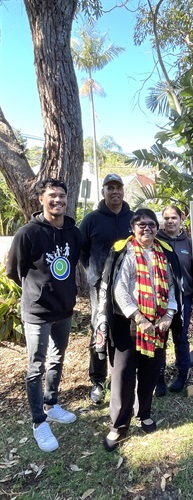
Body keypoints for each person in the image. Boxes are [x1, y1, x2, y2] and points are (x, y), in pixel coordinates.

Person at [95, 209, 182, 452]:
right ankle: (118, 426)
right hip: (129, 325)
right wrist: (138, 317)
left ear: (157, 228)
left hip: (157, 326)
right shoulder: (124, 251)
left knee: (150, 372)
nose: (147, 229)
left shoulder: (164, 253)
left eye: (151, 225)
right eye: (141, 225)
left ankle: (144, 413)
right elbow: (120, 290)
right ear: (133, 228)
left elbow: (173, 288)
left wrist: (168, 314)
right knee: (122, 376)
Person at [6, 178, 82, 452]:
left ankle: (51, 404)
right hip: (37, 311)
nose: (58, 200)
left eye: (62, 195)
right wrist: (38, 292)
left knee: (58, 358)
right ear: (41, 199)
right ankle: (39, 421)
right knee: (36, 366)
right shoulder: (28, 233)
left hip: (64, 308)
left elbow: (74, 263)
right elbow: (14, 271)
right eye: (52, 195)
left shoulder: (74, 232)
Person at [79, 173, 133, 404]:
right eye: (110, 187)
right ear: (103, 192)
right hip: (99, 286)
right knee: (100, 330)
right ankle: (98, 381)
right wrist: (94, 272)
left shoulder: (133, 218)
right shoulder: (91, 220)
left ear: (123, 191)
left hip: (131, 286)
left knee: (129, 329)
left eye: (118, 187)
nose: (115, 192)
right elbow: (82, 251)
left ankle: (128, 373)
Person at [155, 205, 193, 395]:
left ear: (181, 220)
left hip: (185, 299)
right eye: (166, 218)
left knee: (181, 338)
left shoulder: (189, 243)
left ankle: (182, 374)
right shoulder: (156, 241)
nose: (170, 221)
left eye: (174, 218)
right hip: (160, 300)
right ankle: (159, 379)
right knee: (160, 340)